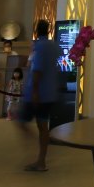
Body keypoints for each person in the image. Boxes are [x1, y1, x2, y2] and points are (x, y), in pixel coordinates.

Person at [19, 19, 59, 172]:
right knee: (43, 126)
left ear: (36, 31)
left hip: (37, 94)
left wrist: (34, 91)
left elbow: (37, 70)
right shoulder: (53, 46)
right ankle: (41, 160)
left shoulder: (39, 47)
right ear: (48, 30)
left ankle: (35, 150)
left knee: (22, 122)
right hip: (50, 93)